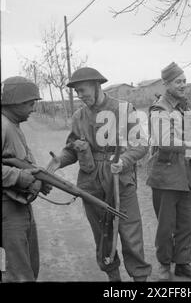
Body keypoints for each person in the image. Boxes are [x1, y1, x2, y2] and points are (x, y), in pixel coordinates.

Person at [46, 67, 152, 282]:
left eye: (82, 90)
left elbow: (141, 145)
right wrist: (60, 160)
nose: (80, 95)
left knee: (130, 232)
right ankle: (113, 278)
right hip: (90, 182)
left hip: (120, 179)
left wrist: (124, 160)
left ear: (97, 85)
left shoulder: (123, 110)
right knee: (102, 234)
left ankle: (140, 278)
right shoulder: (79, 116)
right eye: (76, 92)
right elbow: (71, 148)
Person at [147, 62, 191, 281]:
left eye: (184, 81)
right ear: (166, 84)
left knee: (186, 223)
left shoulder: (183, 106)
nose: (183, 85)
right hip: (165, 175)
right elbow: (164, 141)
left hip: (184, 174)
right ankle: (164, 264)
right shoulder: (160, 109)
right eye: (177, 82)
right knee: (166, 225)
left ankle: (182, 263)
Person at [2, 76, 52, 282]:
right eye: (30, 103)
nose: (33, 109)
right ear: (15, 102)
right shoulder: (3, 126)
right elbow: (16, 170)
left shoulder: (12, 124)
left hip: (17, 206)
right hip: (7, 211)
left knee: (26, 265)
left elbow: (21, 161)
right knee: (18, 273)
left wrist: (38, 180)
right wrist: (18, 176)